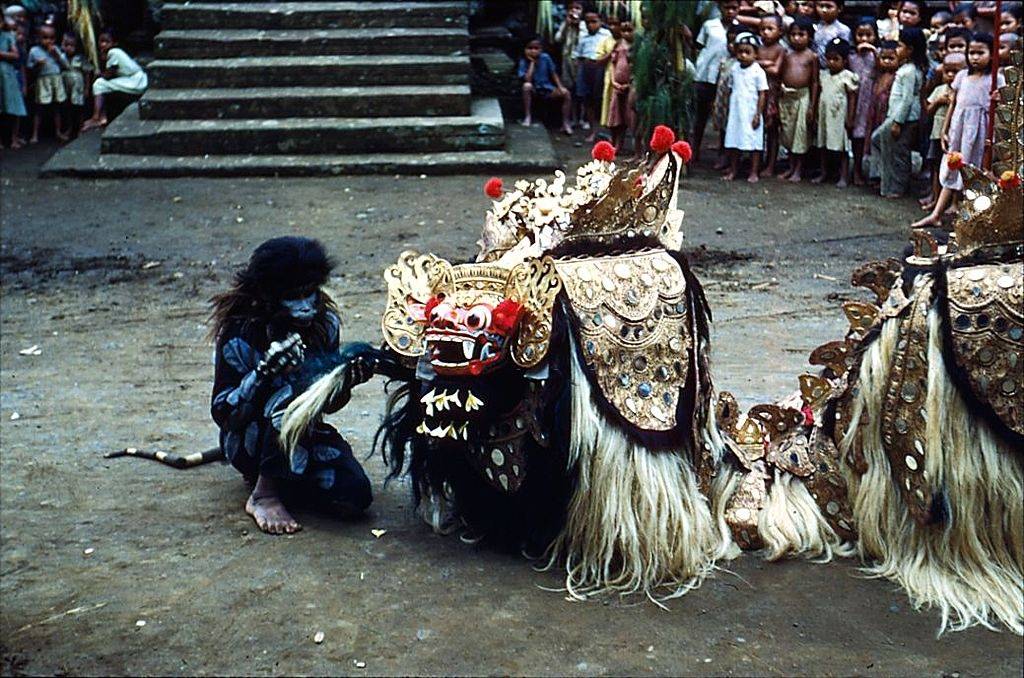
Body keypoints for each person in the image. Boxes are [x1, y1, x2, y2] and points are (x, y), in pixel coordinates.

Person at [209, 237, 374, 535]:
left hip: (303, 435)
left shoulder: (325, 323)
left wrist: (344, 383)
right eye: (293, 297)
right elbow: (223, 413)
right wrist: (262, 375)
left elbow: (327, 405)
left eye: (310, 293)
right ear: (266, 295)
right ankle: (264, 494)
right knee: (293, 393)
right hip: (250, 439)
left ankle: (286, 477)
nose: (306, 308)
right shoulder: (241, 332)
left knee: (354, 496)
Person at [913, 33, 1004, 228]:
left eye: (981, 52)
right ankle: (936, 214)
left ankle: (972, 218)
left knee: (976, 173)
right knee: (952, 170)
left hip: (979, 133)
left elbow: (1002, 109)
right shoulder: (962, 76)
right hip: (959, 130)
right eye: (971, 52)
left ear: (992, 55)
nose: (975, 57)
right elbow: (953, 104)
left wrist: (999, 99)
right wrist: (945, 130)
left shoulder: (996, 79)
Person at [870, 27, 924, 198]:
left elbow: (907, 99)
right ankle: (885, 180)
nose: (897, 49)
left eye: (900, 46)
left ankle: (897, 187)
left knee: (900, 151)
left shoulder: (909, 72)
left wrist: (898, 122)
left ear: (910, 50)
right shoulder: (907, 68)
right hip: (896, 115)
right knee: (879, 140)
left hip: (904, 118)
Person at [919, 52, 965, 211]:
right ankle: (935, 198)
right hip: (936, 134)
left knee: (954, 167)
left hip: (954, 136)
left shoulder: (963, 91)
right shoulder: (940, 89)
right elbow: (928, 111)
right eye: (947, 71)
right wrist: (939, 101)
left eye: (956, 72)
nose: (951, 75)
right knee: (936, 167)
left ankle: (953, 202)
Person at [693, 0, 738, 163]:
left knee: (724, 114)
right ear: (720, 8)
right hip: (705, 74)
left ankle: (723, 153)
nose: (731, 11)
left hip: (726, 78)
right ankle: (695, 149)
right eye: (727, 8)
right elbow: (700, 45)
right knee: (701, 114)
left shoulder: (739, 28)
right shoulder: (709, 25)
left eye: (734, 8)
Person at [722, 32, 768, 182]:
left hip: (751, 111)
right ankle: (733, 170)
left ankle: (754, 172)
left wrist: (757, 114)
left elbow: (762, 93)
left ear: (755, 54)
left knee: (754, 142)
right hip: (736, 111)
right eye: (740, 52)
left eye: (747, 52)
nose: (743, 55)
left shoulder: (758, 71)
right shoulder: (735, 68)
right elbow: (730, 89)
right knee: (734, 140)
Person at [81, 29, 147, 131]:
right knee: (102, 85)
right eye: (101, 41)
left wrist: (98, 75)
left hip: (135, 81)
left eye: (106, 42)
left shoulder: (113, 52)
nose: (102, 44)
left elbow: (108, 75)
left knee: (99, 84)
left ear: (114, 43)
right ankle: (102, 117)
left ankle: (96, 117)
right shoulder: (114, 53)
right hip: (133, 79)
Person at [813, 38, 859, 186]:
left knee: (842, 147)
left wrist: (850, 118)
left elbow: (852, 98)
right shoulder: (823, 75)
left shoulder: (847, 76)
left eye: (836, 59)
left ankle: (844, 175)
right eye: (829, 59)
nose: (831, 62)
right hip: (825, 115)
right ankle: (824, 172)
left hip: (839, 117)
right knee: (823, 144)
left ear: (845, 61)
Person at [778, 17, 818, 182]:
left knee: (800, 135)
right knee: (788, 133)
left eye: (801, 34)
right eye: (793, 34)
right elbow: (780, 73)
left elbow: (815, 82)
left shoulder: (811, 56)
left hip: (803, 97)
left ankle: (798, 170)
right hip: (787, 97)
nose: (796, 38)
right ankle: (790, 166)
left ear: (809, 37)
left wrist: (812, 106)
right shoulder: (787, 54)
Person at [572, 11, 613, 143]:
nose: (591, 25)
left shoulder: (606, 35)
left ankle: (608, 132)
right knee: (587, 99)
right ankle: (593, 131)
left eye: (594, 22)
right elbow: (577, 55)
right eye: (588, 22)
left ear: (601, 22)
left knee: (602, 100)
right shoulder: (583, 37)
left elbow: (611, 52)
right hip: (586, 67)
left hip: (601, 67)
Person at [518, 38, 572, 134]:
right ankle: (528, 116)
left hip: (547, 88)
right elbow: (527, 79)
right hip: (534, 89)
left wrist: (560, 87)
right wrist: (532, 63)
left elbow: (553, 73)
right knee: (526, 86)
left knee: (566, 94)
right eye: (530, 48)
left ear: (541, 49)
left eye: (536, 48)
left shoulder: (545, 58)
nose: (533, 51)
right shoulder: (523, 61)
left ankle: (565, 122)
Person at [848, 18, 878, 185]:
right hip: (856, 101)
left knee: (872, 136)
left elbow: (882, 68)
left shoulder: (878, 54)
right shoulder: (851, 56)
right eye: (860, 35)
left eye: (868, 35)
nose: (864, 39)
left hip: (872, 101)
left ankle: (874, 173)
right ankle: (857, 170)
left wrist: (874, 51)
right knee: (857, 137)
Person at [27, 24, 67, 143]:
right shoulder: (34, 51)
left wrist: (56, 55)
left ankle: (58, 132)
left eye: (51, 38)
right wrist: (38, 65)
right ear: (38, 38)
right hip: (42, 80)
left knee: (57, 107)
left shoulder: (56, 49)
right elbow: (30, 69)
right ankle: (35, 134)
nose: (48, 41)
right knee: (39, 108)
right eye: (45, 38)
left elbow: (65, 65)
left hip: (56, 79)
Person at [712, 24, 743, 170]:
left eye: (734, 43)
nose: (731, 46)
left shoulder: (742, 63)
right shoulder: (725, 60)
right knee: (723, 129)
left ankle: (732, 159)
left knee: (733, 128)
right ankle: (722, 154)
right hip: (722, 99)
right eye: (729, 42)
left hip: (735, 101)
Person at [757, 13, 786, 175]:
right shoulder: (758, 48)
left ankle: (771, 164)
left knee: (772, 130)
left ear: (780, 31)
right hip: (758, 93)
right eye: (762, 29)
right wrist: (763, 62)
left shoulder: (780, 49)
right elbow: (750, 61)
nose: (765, 32)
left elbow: (776, 70)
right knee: (758, 128)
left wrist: (758, 64)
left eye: (770, 29)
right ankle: (757, 160)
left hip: (773, 94)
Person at [603, 20, 635, 151]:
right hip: (617, 86)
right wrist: (614, 82)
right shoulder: (618, 45)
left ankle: (621, 144)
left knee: (627, 116)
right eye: (624, 31)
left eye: (629, 30)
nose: (626, 34)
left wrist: (629, 83)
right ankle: (613, 142)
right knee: (615, 115)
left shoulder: (636, 47)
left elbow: (636, 68)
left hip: (630, 87)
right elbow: (613, 64)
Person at [554, 1, 584, 127]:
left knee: (582, 91)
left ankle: (583, 119)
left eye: (577, 8)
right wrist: (566, 25)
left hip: (580, 61)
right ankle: (572, 118)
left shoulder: (584, 24)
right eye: (572, 8)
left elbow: (583, 41)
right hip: (567, 60)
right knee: (569, 89)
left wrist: (577, 26)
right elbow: (557, 39)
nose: (574, 11)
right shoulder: (565, 24)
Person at [0, 15, 26, 149]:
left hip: (7, 75)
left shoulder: (8, 35)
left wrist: (2, 54)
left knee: (14, 106)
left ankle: (14, 138)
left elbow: (15, 55)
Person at [59, 32, 90, 138]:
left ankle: (80, 128)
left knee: (79, 107)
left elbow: (87, 73)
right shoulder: (61, 57)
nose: (69, 48)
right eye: (67, 45)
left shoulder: (80, 58)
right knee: (67, 108)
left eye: (72, 46)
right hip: (65, 85)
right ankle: (69, 128)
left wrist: (86, 88)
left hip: (78, 86)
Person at [813, 0, 850, 65]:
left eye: (828, 6)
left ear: (839, 8)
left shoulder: (843, 30)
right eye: (821, 6)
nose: (824, 10)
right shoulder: (814, 27)